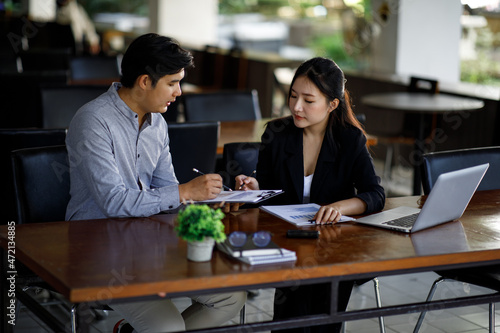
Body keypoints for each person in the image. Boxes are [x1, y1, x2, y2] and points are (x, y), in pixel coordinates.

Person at [65, 33, 246, 333]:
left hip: (147, 244)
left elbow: (168, 192)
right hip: (97, 250)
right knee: (167, 326)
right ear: (145, 81)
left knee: (231, 297)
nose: (178, 92)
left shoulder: (157, 122)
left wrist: (210, 199)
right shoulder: (93, 120)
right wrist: (185, 191)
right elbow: (114, 202)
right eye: (172, 83)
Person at [235, 57, 385, 333]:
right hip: (288, 240)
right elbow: (269, 190)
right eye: (293, 96)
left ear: (332, 105)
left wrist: (339, 207)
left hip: (332, 243)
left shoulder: (349, 139)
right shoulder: (277, 133)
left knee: (321, 304)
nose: (296, 107)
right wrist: (255, 187)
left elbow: (374, 193)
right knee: (295, 307)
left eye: (308, 100)